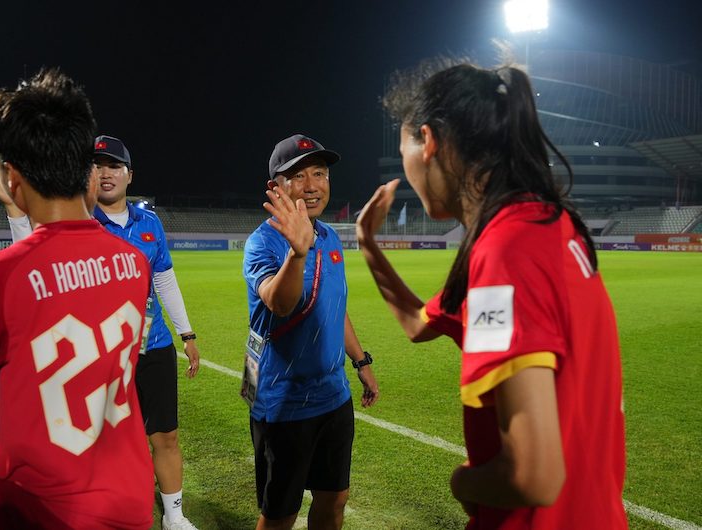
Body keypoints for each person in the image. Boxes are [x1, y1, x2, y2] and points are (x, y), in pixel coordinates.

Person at [356, 60, 627, 529]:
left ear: (430, 142)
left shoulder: (506, 251)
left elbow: (533, 477)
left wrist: (464, 482)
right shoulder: (545, 224)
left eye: (404, 150)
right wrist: (368, 245)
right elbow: (421, 324)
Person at [0, 68, 154, 529]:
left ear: (12, 177)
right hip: (130, 498)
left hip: (41, 505)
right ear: (86, 168)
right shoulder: (133, 263)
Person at [0, 135, 201, 530]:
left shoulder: (149, 223)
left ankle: (174, 514)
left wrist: (186, 334)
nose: (105, 173)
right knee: (99, 443)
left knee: (165, 435)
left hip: (153, 347)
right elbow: (31, 263)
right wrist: (14, 209)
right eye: (96, 166)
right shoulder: (72, 221)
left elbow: (164, 279)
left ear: (130, 175)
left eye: (114, 165)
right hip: (99, 351)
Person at [243, 134, 379, 530]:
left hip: (334, 398)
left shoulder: (330, 236)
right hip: (285, 404)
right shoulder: (262, 242)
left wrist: (360, 359)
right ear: (276, 187)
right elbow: (279, 302)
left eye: (320, 173)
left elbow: (333, 305)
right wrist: (296, 253)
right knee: (280, 514)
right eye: (298, 176)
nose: (312, 184)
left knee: (334, 499)